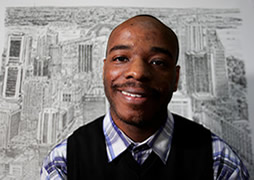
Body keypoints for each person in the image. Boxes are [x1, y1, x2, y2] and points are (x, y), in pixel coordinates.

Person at [40, 15, 249, 179]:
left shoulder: (218, 162)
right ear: (104, 70)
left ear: (175, 78)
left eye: (158, 62)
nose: (138, 72)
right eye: (121, 58)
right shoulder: (63, 164)